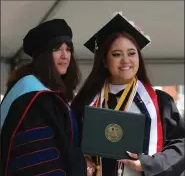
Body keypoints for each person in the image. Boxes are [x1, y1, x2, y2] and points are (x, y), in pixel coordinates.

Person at [71, 13, 185, 176]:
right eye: (116, 54)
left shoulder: (160, 102)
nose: (125, 60)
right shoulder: (86, 102)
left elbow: (180, 146)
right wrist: (83, 162)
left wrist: (147, 164)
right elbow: (68, 145)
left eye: (132, 53)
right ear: (104, 61)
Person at [0, 19, 86, 176]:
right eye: (57, 49)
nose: (65, 56)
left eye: (68, 49)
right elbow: (38, 161)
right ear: (44, 55)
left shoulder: (49, 94)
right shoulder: (34, 98)